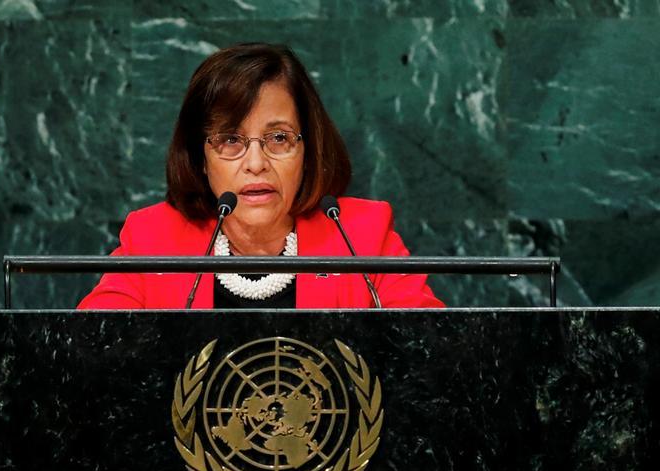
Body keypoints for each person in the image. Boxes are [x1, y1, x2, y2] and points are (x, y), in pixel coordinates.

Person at [78, 43, 443, 310]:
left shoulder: (363, 236)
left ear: (307, 150)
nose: (256, 163)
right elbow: (91, 352)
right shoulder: (152, 239)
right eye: (231, 140)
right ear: (201, 158)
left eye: (279, 138)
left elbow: (432, 355)